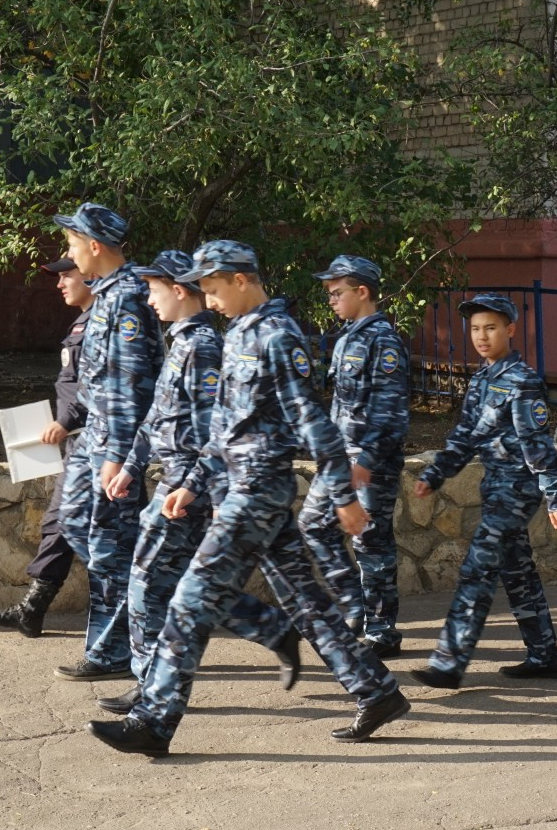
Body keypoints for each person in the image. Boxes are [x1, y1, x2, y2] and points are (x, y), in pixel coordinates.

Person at [86, 240, 408, 756]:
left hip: (256, 493)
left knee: (190, 600)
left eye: (212, 289)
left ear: (242, 280)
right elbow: (224, 427)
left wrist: (344, 494)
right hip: (237, 486)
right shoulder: (239, 332)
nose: (208, 300)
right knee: (306, 601)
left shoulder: (278, 337)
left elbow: (312, 420)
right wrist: (194, 482)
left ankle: (154, 719)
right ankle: (377, 689)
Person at [409, 293, 557, 689]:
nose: (481, 336)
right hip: (495, 485)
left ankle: (448, 664)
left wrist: (554, 493)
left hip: (517, 488)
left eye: (491, 328)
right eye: (475, 328)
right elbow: (466, 435)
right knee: (517, 572)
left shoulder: (522, 381)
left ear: (510, 330)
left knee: (478, 569)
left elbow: (537, 442)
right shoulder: (482, 379)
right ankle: (544, 654)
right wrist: (435, 475)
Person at [93, 250, 223, 715]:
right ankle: (156, 685)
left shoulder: (203, 346)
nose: (148, 301)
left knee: (148, 588)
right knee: (169, 593)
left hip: (183, 493)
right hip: (170, 483)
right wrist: (130, 465)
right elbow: (155, 418)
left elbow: (214, 431)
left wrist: (190, 486)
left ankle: (154, 689)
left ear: (180, 290)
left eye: (154, 290)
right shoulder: (182, 341)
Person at [52, 203, 165, 682]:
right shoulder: (107, 294)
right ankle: (125, 637)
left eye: (73, 244)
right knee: (77, 523)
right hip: (95, 437)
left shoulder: (128, 298)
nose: (69, 254)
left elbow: (129, 382)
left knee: (111, 546)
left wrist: (119, 455)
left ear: (94, 246)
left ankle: (117, 648)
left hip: (113, 442)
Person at [299, 255, 410, 658]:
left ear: (362, 292)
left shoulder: (383, 340)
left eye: (337, 292)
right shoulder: (348, 336)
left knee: (370, 541)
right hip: (339, 459)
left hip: (369, 460)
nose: (330, 299)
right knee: (313, 524)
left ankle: (381, 631)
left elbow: (390, 409)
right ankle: (353, 607)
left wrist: (366, 459)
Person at [0, 257, 92, 636]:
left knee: (97, 535)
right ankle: (33, 608)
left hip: (100, 445)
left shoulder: (104, 324)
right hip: (81, 444)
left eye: (67, 275)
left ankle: (142, 624)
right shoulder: (82, 321)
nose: (60, 283)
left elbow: (100, 388)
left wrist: (67, 421)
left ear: (91, 273)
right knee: (60, 523)